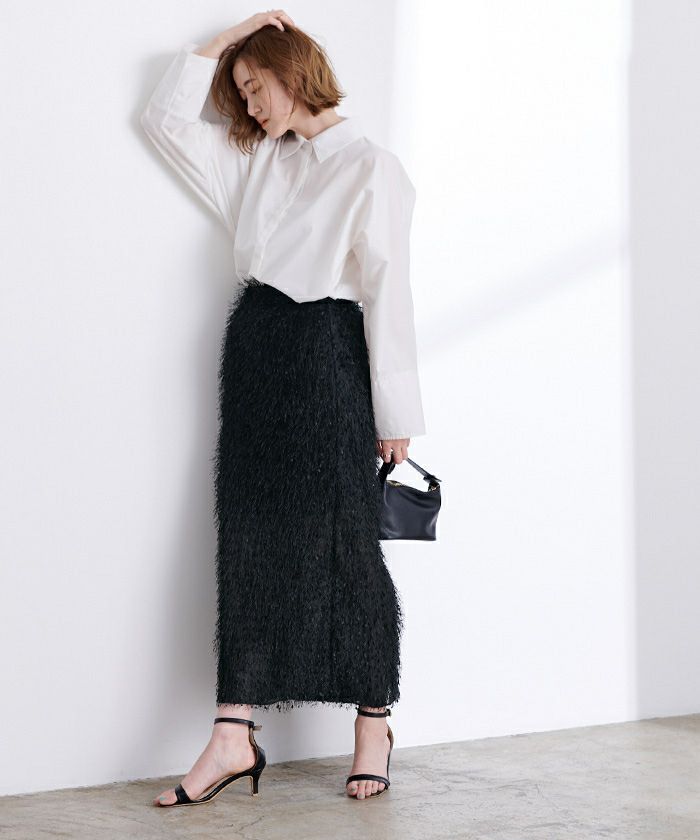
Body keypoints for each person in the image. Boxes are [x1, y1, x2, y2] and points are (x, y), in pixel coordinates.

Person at [139, 10, 427, 805]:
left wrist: (394, 411)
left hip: (329, 352)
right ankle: (233, 731)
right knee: (248, 531)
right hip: (257, 349)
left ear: (291, 73)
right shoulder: (258, 159)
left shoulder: (372, 166)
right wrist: (227, 40)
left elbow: (388, 291)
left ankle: (374, 720)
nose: (249, 104)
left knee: (344, 541)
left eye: (254, 86)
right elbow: (164, 122)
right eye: (240, 91)